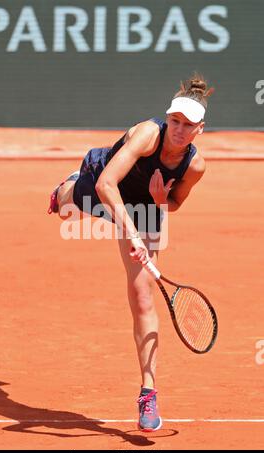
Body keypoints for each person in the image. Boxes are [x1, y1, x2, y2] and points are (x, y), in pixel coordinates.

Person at [48, 73, 213, 432]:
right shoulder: (146, 135)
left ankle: (148, 393)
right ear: (167, 119)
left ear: (200, 130)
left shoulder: (194, 167)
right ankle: (68, 186)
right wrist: (132, 232)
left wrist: (158, 202)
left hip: (145, 205)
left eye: (188, 126)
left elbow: (174, 204)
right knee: (64, 206)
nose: (179, 130)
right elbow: (108, 183)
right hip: (105, 178)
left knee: (142, 298)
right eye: (174, 122)